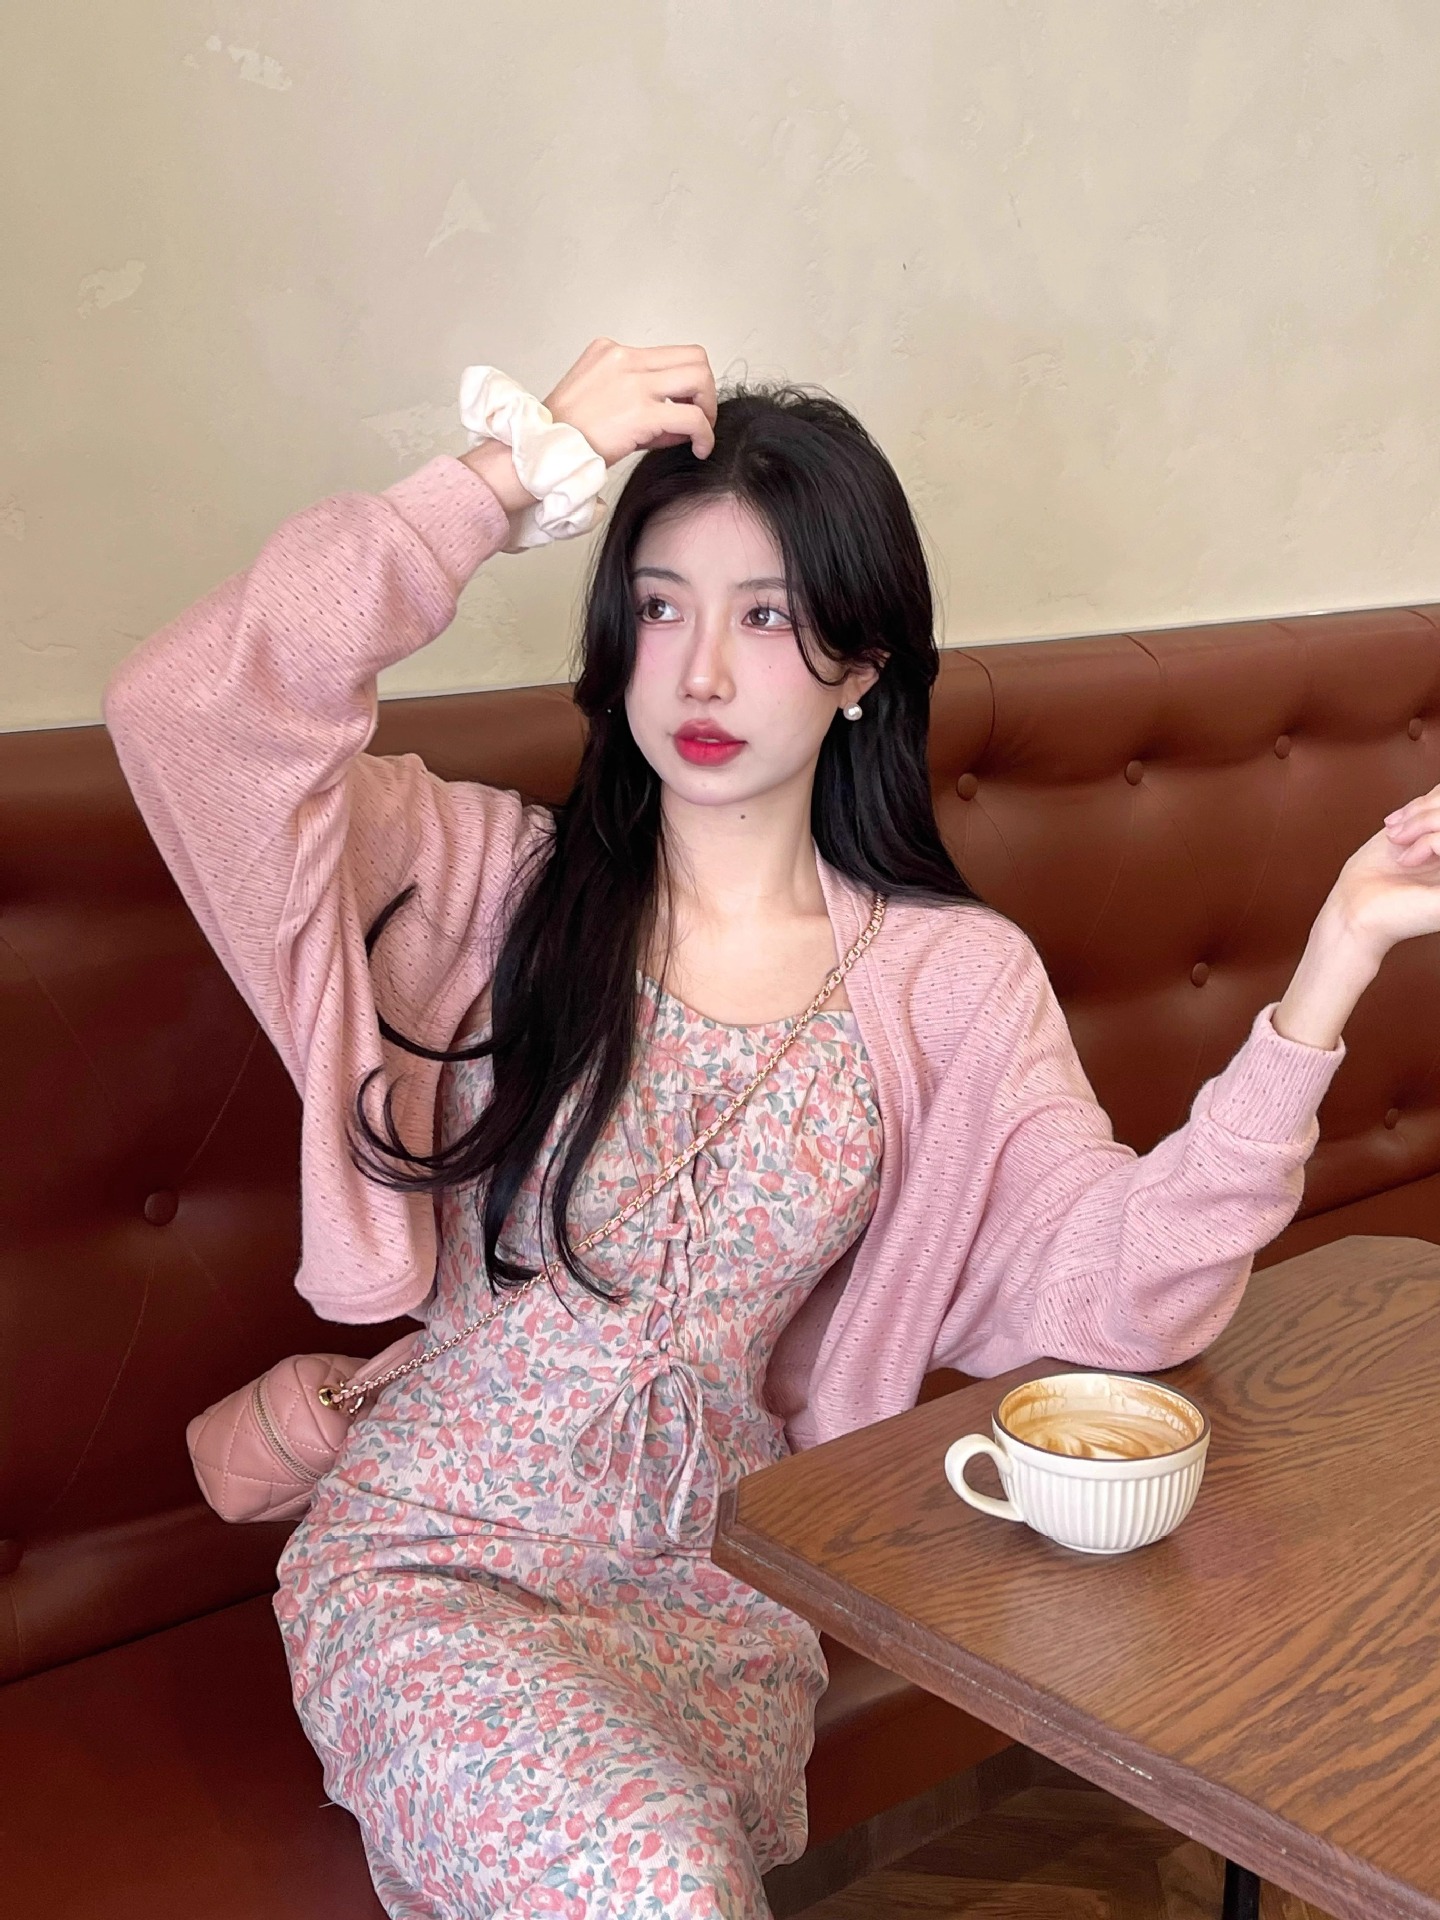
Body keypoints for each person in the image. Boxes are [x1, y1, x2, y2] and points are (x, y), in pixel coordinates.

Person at [105, 338, 1440, 1919]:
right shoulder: (476, 885)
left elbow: (1126, 1290)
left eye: (765, 617)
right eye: (661, 607)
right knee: (664, 1884)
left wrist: (1329, 971)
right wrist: (508, 479)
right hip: (438, 1550)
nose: (701, 675)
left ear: (862, 662)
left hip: (725, 1592)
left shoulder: (949, 983)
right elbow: (187, 713)